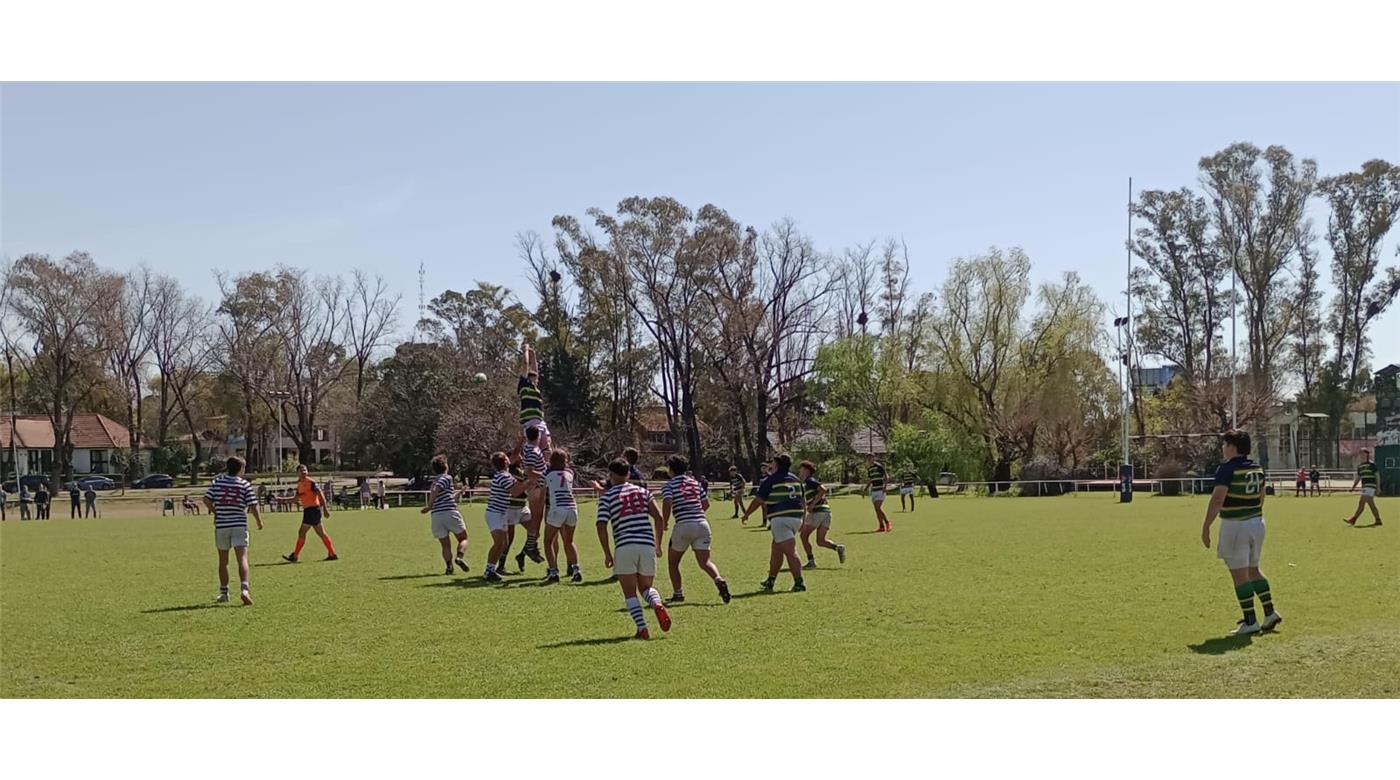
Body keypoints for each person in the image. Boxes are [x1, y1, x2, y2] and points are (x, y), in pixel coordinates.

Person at [1200, 430, 1282, 636]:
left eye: (1225, 444)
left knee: (1239, 575)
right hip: (1257, 522)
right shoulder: (1257, 467)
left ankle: (1250, 620)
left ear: (1232, 447)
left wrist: (1206, 525)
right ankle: (1270, 612)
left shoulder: (1227, 469)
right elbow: (1262, 496)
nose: (1223, 448)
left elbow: (1218, 499)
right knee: (1254, 570)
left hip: (1236, 525)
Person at [595, 458, 671, 640]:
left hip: (624, 545)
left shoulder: (607, 496)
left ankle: (642, 628)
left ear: (611, 475)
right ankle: (657, 603)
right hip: (646, 544)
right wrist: (658, 544)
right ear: (628, 473)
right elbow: (659, 517)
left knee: (630, 592)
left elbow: (601, 524)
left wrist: (607, 553)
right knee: (645, 587)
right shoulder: (643, 492)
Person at [661, 455, 730, 604]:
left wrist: (665, 521)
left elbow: (667, 502)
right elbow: (706, 504)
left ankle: (678, 593)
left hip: (683, 525)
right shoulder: (695, 483)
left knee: (673, 562)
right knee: (705, 562)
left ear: (671, 469)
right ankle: (718, 579)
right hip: (702, 524)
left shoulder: (669, 485)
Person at [202, 456, 264, 606]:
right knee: (242, 558)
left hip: (222, 525)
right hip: (239, 524)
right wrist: (259, 521)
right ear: (241, 468)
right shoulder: (244, 484)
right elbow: (253, 505)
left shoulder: (218, 483)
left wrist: (216, 511)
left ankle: (224, 593)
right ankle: (244, 589)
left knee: (223, 561)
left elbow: (206, 499)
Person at [742, 453, 807, 593]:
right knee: (776, 550)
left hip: (780, 518)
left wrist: (747, 514)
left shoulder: (771, 480)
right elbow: (803, 501)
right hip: (796, 518)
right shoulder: (795, 479)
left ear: (776, 465)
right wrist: (804, 519)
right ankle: (770, 581)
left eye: (772, 463)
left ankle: (799, 583)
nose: (770, 465)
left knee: (790, 551)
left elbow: (758, 500)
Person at [543, 449, 599, 583]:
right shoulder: (570, 473)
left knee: (548, 541)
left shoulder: (548, 473)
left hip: (557, 508)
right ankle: (576, 569)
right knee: (569, 541)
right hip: (572, 508)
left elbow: (543, 483)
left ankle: (553, 571)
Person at [483, 451, 532, 582]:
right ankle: (489, 570)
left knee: (503, 543)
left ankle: (492, 569)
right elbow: (516, 492)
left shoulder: (505, 475)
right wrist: (530, 481)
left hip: (501, 513)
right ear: (505, 462)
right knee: (499, 543)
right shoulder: (504, 476)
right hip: (495, 513)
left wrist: (527, 481)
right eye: (507, 457)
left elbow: (517, 486)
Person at [420, 455, 470, 575]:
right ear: (445, 466)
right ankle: (459, 557)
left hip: (437, 516)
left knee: (445, 545)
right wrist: (429, 505)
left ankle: (449, 567)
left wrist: (460, 492)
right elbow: (435, 490)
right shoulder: (446, 478)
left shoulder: (434, 481)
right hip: (449, 512)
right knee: (463, 538)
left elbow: (446, 496)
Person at [281, 464, 339, 563]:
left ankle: (295, 556)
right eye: (301, 470)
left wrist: (325, 508)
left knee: (302, 532)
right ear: (297, 473)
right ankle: (332, 553)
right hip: (308, 510)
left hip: (313, 509)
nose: (304, 472)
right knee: (321, 533)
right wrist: (282, 499)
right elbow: (296, 499)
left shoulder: (311, 482)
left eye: (305, 470)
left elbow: (320, 494)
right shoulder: (299, 485)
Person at [499, 449, 541, 573]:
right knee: (509, 539)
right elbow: (523, 485)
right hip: (510, 508)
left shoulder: (521, 471)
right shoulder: (509, 472)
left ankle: (522, 555)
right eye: (518, 456)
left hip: (522, 507)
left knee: (535, 532)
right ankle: (501, 566)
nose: (521, 458)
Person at [798, 460, 846, 569]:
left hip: (818, 512)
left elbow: (823, 489)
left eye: (801, 469)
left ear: (806, 470)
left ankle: (811, 561)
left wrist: (813, 504)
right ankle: (838, 547)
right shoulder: (806, 483)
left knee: (803, 536)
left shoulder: (809, 481)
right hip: (826, 512)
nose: (799, 471)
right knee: (820, 541)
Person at [517, 425, 549, 570]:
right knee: (535, 520)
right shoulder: (531, 450)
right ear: (538, 436)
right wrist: (544, 475)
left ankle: (527, 550)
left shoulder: (532, 449)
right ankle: (530, 548)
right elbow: (529, 471)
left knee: (538, 520)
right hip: (535, 486)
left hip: (538, 486)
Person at [518, 342, 551, 450]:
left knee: (547, 450)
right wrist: (525, 351)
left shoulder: (536, 387)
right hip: (530, 423)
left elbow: (535, 369)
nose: (537, 380)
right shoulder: (524, 384)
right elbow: (525, 364)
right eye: (534, 378)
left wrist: (534, 354)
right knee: (534, 449)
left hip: (540, 422)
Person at [1344, 449, 1384, 527]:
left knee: (1362, 502)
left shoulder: (1372, 464)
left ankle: (1353, 519)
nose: (1361, 455)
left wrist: (1378, 487)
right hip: (1365, 486)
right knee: (1370, 504)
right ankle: (1378, 520)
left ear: (1366, 454)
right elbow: (1358, 477)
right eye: (1360, 453)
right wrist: (1353, 487)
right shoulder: (1360, 466)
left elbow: (1377, 476)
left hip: (1371, 486)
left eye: (1362, 453)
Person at [866, 453, 890, 532]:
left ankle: (887, 523)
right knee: (877, 509)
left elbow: (886, 477)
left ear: (874, 458)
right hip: (874, 490)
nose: (869, 459)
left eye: (871, 458)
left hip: (880, 490)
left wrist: (885, 487)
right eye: (868, 458)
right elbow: (870, 480)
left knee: (878, 507)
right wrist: (865, 488)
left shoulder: (879, 467)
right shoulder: (870, 469)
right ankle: (881, 526)